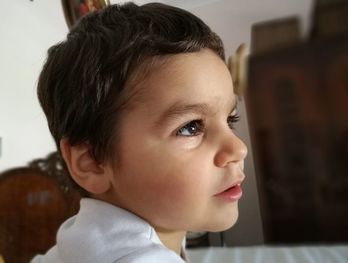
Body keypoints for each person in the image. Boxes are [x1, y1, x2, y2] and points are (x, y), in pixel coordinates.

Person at [31, 2, 247, 262]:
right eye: (190, 127)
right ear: (92, 161)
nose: (238, 148)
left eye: (230, 119)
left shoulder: (78, 238)